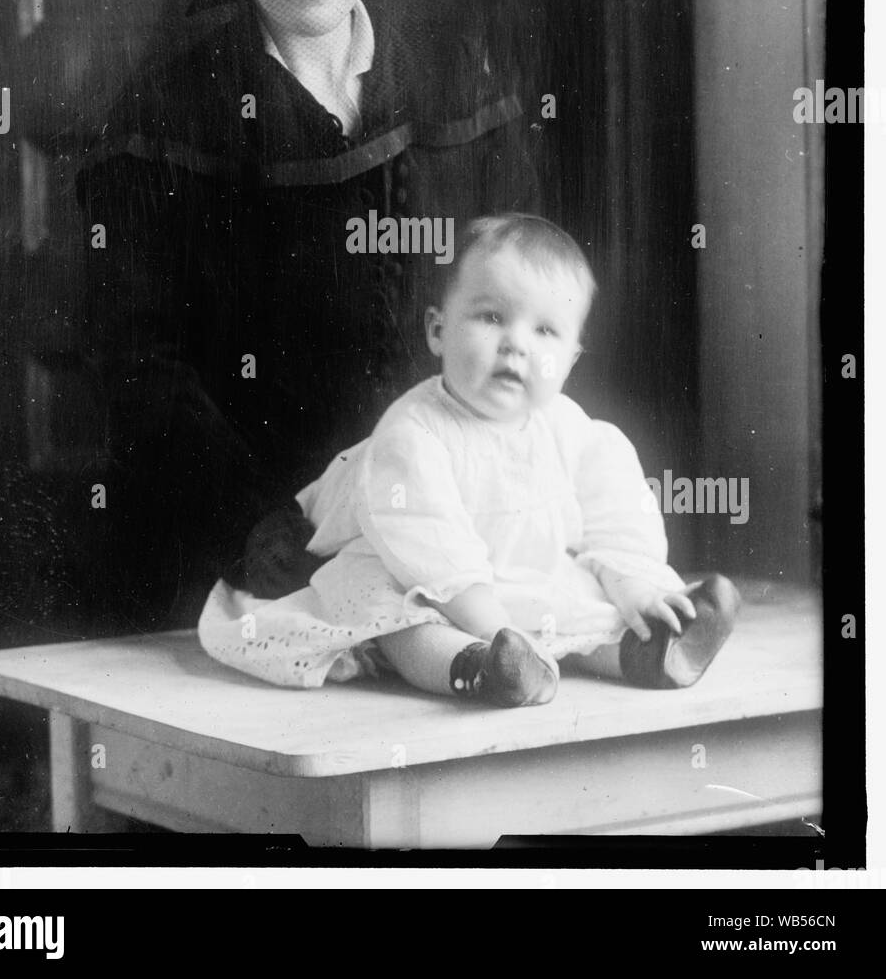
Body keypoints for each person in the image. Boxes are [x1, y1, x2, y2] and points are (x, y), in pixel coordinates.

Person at [76, 0, 543, 631]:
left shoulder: (455, 84)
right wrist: (267, 531)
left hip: (458, 522)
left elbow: (525, 302)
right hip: (261, 544)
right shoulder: (161, 123)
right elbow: (141, 370)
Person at [198, 214, 741, 707]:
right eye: (491, 317)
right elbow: (432, 553)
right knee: (398, 618)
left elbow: (618, 521)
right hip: (392, 564)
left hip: (500, 582)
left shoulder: (573, 432)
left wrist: (637, 589)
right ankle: (477, 669)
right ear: (438, 331)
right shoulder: (413, 435)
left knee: (577, 600)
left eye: (546, 330)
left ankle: (645, 651)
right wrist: (499, 629)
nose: (516, 345)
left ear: (571, 359)